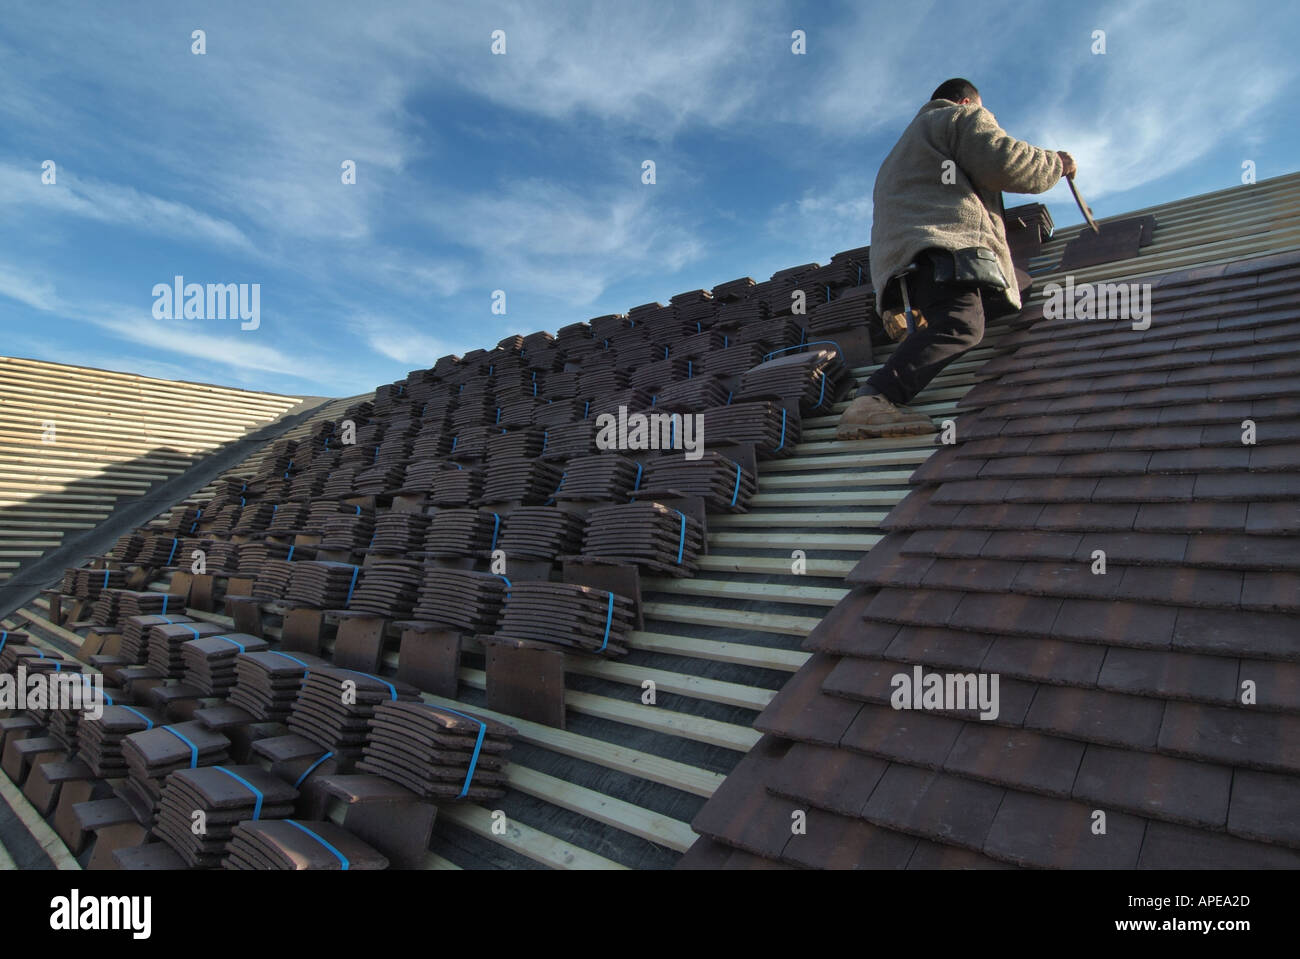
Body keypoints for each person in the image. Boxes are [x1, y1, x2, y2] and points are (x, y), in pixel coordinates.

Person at [836, 78, 1075, 439]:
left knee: (1014, 285)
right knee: (963, 324)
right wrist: (1055, 163)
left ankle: (923, 323)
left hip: (903, 262)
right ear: (966, 102)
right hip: (945, 248)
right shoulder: (960, 118)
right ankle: (875, 399)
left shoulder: (903, 148)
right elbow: (1004, 162)